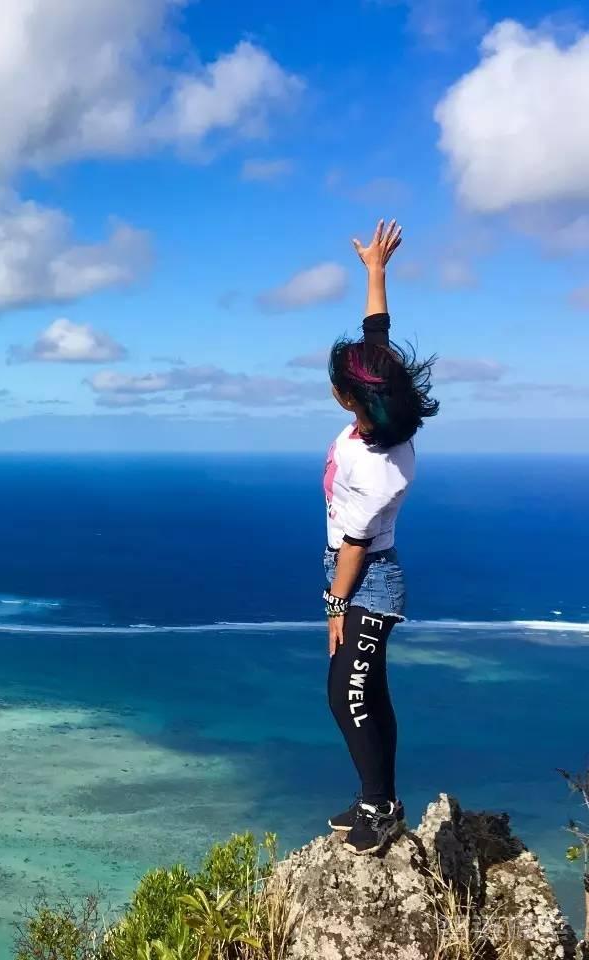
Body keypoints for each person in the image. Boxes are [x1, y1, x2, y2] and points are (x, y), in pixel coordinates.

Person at [322, 219, 439, 855]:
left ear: (351, 402)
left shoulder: (375, 466)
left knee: (348, 691)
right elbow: (377, 340)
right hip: (356, 567)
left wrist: (335, 605)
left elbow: (357, 546)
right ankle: (380, 798)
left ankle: (380, 807)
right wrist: (375, 271)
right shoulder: (386, 420)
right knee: (364, 687)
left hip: (366, 578)